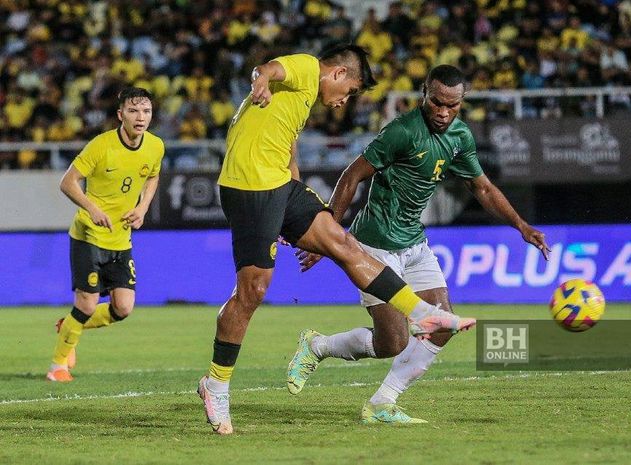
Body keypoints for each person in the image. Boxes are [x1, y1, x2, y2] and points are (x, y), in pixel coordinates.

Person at [197, 45, 476, 435]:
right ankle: (216, 383)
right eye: (350, 91)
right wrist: (261, 79)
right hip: (249, 188)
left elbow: (287, 142)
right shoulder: (307, 69)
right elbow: (270, 68)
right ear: (339, 73)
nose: (344, 101)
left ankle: (421, 313)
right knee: (252, 291)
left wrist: (292, 200)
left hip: (280, 187)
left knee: (344, 244)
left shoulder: (301, 100)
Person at [286, 65, 550, 423]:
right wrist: (327, 233)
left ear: (462, 102)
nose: (443, 112)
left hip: (414, 242)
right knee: (391, 342)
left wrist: (520, 225)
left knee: (442, 325)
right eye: (437, 102)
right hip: (375, 246)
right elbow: (353, 175)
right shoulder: (402, 131)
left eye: (452, 106)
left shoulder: (459, 136)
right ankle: (317, 346)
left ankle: (382, 403)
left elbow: (483, 188)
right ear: (425, 93)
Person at [48, 87, 164, 382]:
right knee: (86, 303)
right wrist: (92, 208)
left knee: (123, 308)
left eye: (146, 111)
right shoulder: (100, 146)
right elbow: (68, 182)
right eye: (134, 111)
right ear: (120, 115)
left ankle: (70, 325)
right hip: (88, 235)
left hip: (120, 239)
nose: (141, 117)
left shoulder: (155, 146)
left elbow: (153, 175)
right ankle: (57, 366)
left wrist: (143, 207)